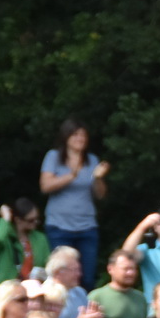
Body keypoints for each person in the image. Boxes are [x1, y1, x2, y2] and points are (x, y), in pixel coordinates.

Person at [39, 119, 110, 288]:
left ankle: (85, 313)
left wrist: (99, 178)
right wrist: (73, 174)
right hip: (59, 227)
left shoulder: (92, 160)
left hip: (87, 227)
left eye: (84, 135)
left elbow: (100, 195)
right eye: (76, 134)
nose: (81, 138)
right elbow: (45, 186)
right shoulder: (53, 156)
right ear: (66, 136)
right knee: (60, 277)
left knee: (86, 278)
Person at [46, 246, 104, 318]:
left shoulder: (79, 292)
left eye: (79, 269)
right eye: (74, 270)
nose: (79, 274)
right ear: (59, 272)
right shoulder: (45, 294)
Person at [91, 250, 148, 318]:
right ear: (110, 269)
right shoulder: (97, 297)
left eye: (133, 269)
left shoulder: (140, 298)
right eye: (125, 269)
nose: (130, 273)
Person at [0, 198, 50, 282]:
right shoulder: (5, 236)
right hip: (8, 288)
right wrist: (5, 218)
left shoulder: (40, 238)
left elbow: (48, 263)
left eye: (37, 218)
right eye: (31, 220)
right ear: (18, 220)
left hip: (34, 287)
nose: (36, 222)